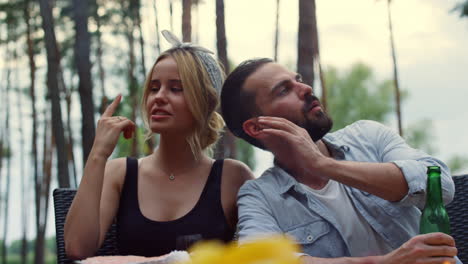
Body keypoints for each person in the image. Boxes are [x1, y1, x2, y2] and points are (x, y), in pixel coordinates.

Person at [220, 58, 460, 264]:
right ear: (256, 127)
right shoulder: (259, 196)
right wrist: (384, 262)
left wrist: (324, 165)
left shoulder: (368, 136)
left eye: (299, 79)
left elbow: (440, 185)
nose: (305, 88)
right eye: (283, 90)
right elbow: (260, 260)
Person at [64, 31, 253, 260]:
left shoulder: (233, 177)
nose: (159, 97)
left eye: (176, 88)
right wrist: (98, 154)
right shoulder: (120, 173)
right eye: (154, 88)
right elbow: (77, 249)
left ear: (205, 101)